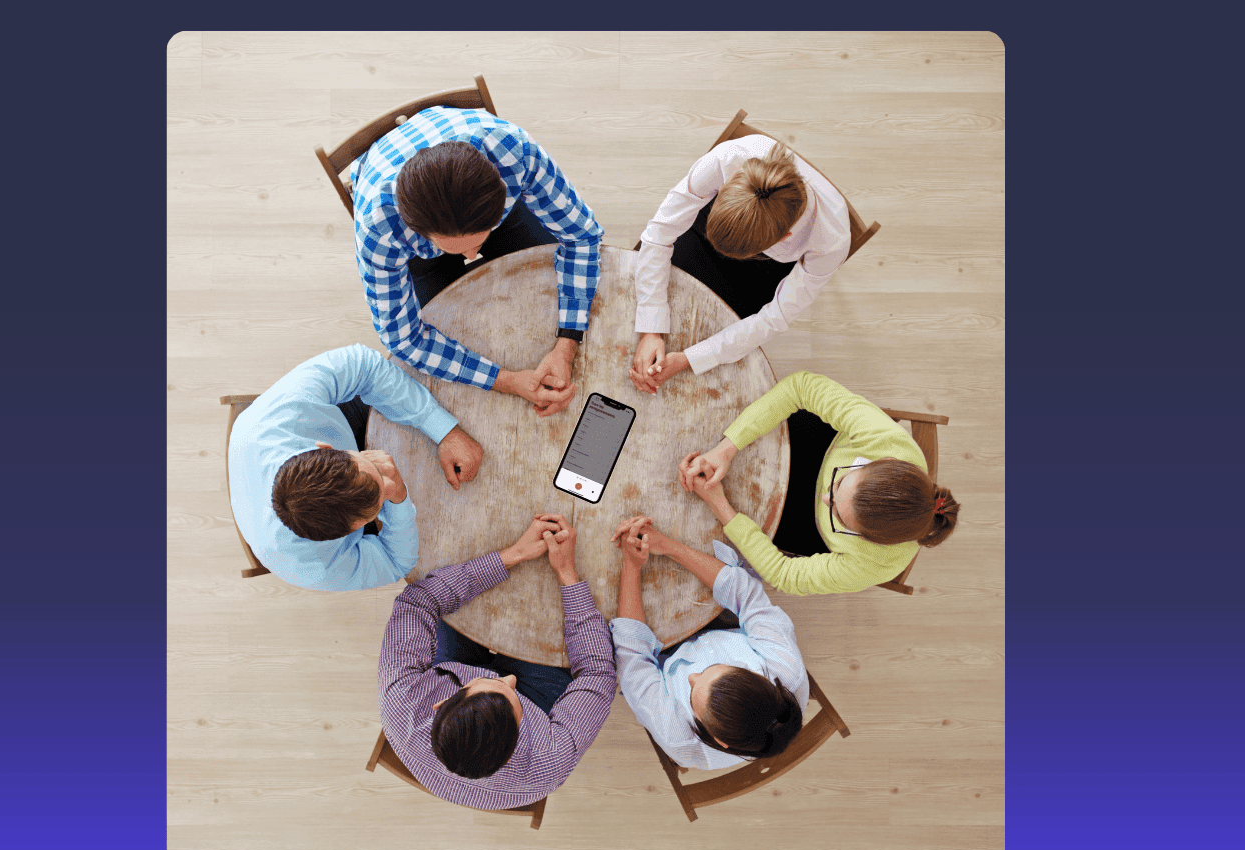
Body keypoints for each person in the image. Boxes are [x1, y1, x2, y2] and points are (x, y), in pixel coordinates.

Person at [352, 105, 605, 417]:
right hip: (418, 250)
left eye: (479, 242)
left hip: (487, 209)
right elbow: (403, 339)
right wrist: (509, 381)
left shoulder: (515, 152)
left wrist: (567, 345)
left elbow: (582, 236)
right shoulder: (378, 229)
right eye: (458, 249)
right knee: (452, 328)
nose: (472, 258)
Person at [377, 513, 615, 810]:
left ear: (440, 704)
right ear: (516, 743)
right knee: (560, 641)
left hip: (452, 666)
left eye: (495, 684)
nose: (509, 679)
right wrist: (568, 574)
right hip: (537, 697)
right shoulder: (548, 761)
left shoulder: (403, 702)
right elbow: (598, 674)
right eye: (515, 703)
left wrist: (512, 555)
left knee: (451, 612)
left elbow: (417, 601)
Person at [227, 344, 484, 591]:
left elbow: (364, 365)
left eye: (371, 465)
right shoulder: (314, 565)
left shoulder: (289, 410)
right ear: (352, 532)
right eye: (378, 500)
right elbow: (396, 562)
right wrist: (399, 499)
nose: (389, 471)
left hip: (304, 428)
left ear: (325, 447)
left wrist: (442, 428)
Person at [678, 371, 961, 595]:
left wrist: (720, 504)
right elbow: (801, 387)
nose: (827, 497)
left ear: (867, 538)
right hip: (819, 449)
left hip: (806, 524)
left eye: (840, 514)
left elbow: (783, 575)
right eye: (841, 484)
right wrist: (727, 448)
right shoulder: (889, 443)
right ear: (877, 463)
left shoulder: (874, 564)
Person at [628, 136, 851, 395]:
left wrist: (690, 359)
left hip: (765, 271)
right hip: (708, 230)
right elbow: (659, 232)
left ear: (783, 238)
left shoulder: (831, 240)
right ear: (723, 188)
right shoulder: (726, 159)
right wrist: (650, 328)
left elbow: (777, 315)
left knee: (711, 335)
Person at [608, 515, 806, 770]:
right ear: (756, 675)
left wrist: (631, 566)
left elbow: (631, 655)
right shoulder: (786, 670)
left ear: (717, 740)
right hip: (727, 625)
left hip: (662, 660)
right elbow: (746, 594)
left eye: (691, 695)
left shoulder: (677, 735)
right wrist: (667, 546)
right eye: (709, 670)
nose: (691, 677)